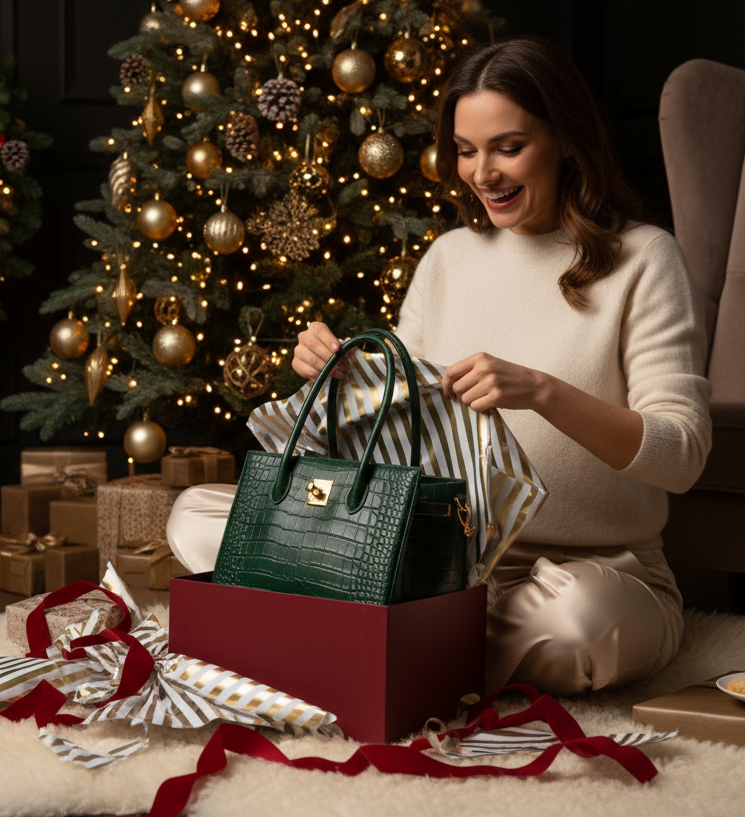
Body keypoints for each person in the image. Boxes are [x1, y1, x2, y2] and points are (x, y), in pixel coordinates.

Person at [166, 37, 712, 696]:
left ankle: (359, 640)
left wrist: (541, 392)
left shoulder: (644, 259)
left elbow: (681, 458)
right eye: (465, 149)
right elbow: (395, 432)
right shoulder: (449, 257)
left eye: (509, 146)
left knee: (578, 629)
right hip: (426, 561)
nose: (483, 173)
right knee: (195, 514)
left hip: (594, 571)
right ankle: (412, 638)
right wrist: (342, 381)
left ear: (566, 139)